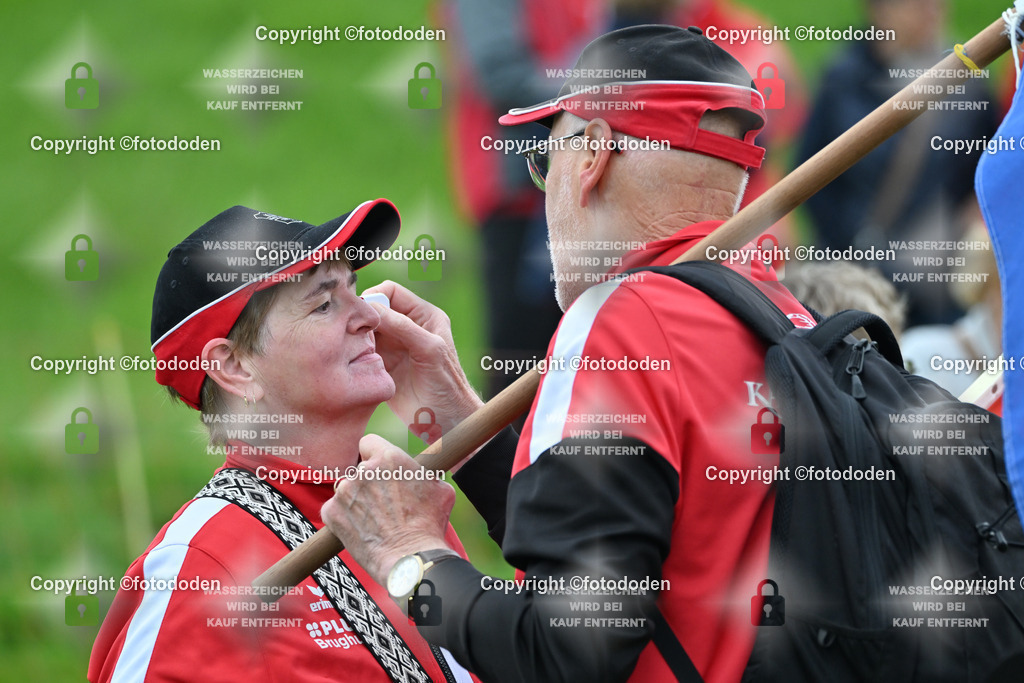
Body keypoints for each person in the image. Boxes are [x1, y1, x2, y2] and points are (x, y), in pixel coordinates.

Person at [324, 26, 820, 682]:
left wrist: (408, 556)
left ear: (592, 153)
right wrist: (460, 421)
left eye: (544, 159)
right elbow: (615, 542)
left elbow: (564, 653)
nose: (543, 188)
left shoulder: (617, 322)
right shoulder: (788, 317)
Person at [88, 201, 512, 682]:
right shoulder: (199, 568)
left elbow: (559, 644)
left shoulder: (398, 510)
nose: (371, 316)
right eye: (324, 304)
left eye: (354, 288)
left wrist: (467, 424)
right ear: (235, 366)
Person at [796, 0, 998, 327]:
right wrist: (849, 245)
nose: (932, 11)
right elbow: (809, 176)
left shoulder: (967, 84)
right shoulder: (841, 78)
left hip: (929, 286)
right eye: (917, 4)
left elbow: (980, 177)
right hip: (848, 273)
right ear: (879, 10)